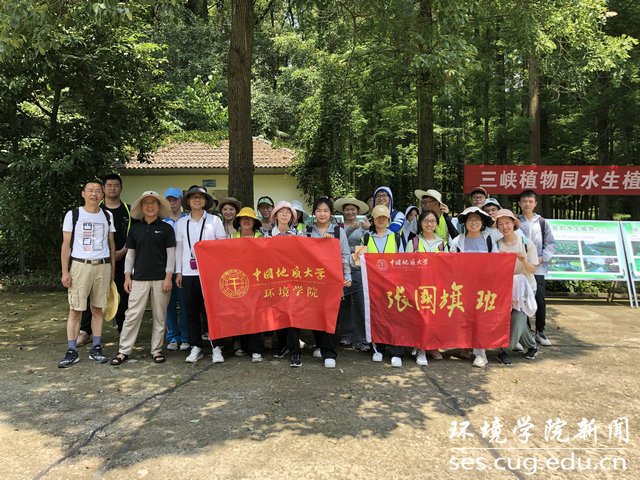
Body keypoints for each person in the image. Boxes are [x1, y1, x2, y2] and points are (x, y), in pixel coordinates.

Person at [110, 192, 175, 366]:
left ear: (159, 206)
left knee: (160, 316)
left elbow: (171, 255)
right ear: (141, 207)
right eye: (146, 203)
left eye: (153, 202)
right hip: (138, 278)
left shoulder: (167, 229)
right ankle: (124, 350)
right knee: (132, 315)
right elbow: (130, 255)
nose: (150, 206)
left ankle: (157, 350)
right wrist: (127, 276)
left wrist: (169, 276)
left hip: (161, 279)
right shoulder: (135, 229)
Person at [58, 180, 115, 368]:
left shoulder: (107, 215)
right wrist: (65, 271)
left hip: (103, 266)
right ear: (83, 194)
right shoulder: (73, 214)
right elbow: (66, 245)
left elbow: (111, 244)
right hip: (80, 266)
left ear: (102, 195)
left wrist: (112, 270)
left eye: (98, 191)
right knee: (75, 310)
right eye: (90, 190)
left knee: (98, 309)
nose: (94, 194)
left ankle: (96, 347)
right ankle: (71, 350)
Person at [76, 173, 130, 346]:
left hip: (123, 259)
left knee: (122, 295)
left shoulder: (128, 211)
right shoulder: (93, 210)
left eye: (116, 185)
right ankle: (85, 331)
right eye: (109, 185)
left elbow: (134, 235)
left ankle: (123, 329)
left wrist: (123, 251)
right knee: (90, 296)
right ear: (103, 189)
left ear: (121, 188)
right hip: (98, 261)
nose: (112, 188)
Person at [175, 186, 226, 363]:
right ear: (188, 201)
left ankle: (216, 347)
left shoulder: (214, 221)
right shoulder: (182, 223)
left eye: (200, 197)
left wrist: (218, 270)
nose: (197, 200)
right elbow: (179, 249)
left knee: (212, 312)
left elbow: (222, 247)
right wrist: (178, 272)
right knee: (191, 311)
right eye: (193, 197)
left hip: (210, 274)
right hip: (188, 273)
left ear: (205, 201)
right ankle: (195, 346)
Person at [303, 197, 352, 368]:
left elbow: (345, 255)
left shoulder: (338, 232)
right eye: (319, 210)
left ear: (331, 213)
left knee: (331, 314)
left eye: (325, 210)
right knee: (315, 314)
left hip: (333, 281)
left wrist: (347, 276)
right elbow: (301, 254)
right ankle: (320, 344)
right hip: (313, 280)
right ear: (314, 213)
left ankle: (329, 352)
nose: (322, 214)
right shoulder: (308, 231)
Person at [449, 206, 497, 368]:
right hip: (462, 287)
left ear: (482, 222)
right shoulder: (457, 240)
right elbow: (450, 263)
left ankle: (481, 354)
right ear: (465, 223)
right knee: (464, 318)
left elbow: (496, 262)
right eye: (470, 219)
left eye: (477, 219)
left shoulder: (488, 239)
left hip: (483, 287)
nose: (473, 222)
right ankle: (466, 347)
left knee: (480, 320)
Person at [361, 205, 405, 367]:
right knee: (376, 317)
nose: (381, 220)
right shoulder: (366, 238)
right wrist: (354, 258)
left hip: (394, 285)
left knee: (395, 318)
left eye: (384, 217)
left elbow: (403, 261)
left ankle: (396, 352)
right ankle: (377, 349)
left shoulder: (396, 237)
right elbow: (360, 261)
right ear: (372, 219)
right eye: (378, 217)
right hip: (373, 285)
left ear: (388, 220)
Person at [495, 209, 539, 365]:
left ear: (514, 223)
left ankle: (504, 350)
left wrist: (524, 260)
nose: (504, 227)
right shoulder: (496, 245)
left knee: (517, 317)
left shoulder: (526, 243)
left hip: (526, 287)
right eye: (500, 224)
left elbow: (533, 270)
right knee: (518, 319)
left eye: (507, 223)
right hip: (506, 288)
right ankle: (532, 345)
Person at [265, 201, 305, 366]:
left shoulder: (299, 234)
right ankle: (283, 345)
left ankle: (295, 352)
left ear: (292, 217)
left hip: (293, 281)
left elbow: (306, 255)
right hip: (274, 280)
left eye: (288, 212)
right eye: (281, 211)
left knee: (292, 315)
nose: (284, 214)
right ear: (275, 215)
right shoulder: (267, 234)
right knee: (278, 314)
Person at [405, 209, 447, 365]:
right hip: (419, 287)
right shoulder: (413, 242)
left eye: (433, 221)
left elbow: (448, 267)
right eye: (426, 221)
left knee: (436, 319)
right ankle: (421, 349)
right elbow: (406, 267)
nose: (429, 224)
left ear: (437, 224)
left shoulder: (443, 244)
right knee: (421, 319)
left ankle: (433, 346)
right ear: (420, 223)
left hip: (437, 287)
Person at [517, 190, 556, 346]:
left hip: (538, 268)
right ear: (519, 203)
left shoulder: (542, 222)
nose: (527, 204)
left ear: (535, 203)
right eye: (524, 201)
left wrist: (541, 258)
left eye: (530, 201)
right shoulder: (515, 222)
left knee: (539, 299)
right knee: (521, 300)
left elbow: (551, 244)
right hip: (520, 268)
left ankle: (540, 331)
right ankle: (525, 332)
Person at [229, 207, 265, 363]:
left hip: (256, 282)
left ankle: (256, 349)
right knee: (240, 314)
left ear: (254, 222)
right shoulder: (231, 237)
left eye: (249, 218)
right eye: (243, 218)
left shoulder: (261, 237)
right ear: (238, 221)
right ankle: (241, 346)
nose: (246, 221)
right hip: (238, 281)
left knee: (255, 315)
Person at [334, 197, 370, 350]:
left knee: (361, 303)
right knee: (345, 304)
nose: (350, 212)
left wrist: (367, 229)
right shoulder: (338, 226)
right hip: (342, 266)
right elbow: (338, 242)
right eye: (347, 209)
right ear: (343, 211)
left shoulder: (364, 225)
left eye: (353, 209)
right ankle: (346, 335)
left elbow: (367, 242)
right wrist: (350, 229)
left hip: (359, 266)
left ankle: (361, 338)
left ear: (358, 211)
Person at [163, 188, 189, 352]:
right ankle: (172, 336)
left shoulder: (188, 220)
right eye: (169, 200)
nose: (172, 203)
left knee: (186, 304)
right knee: (168, 304)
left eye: (175, 199)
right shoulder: (162, 222)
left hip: (185, 269)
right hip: (167, 270)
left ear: (181, 200)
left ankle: (185, 336)